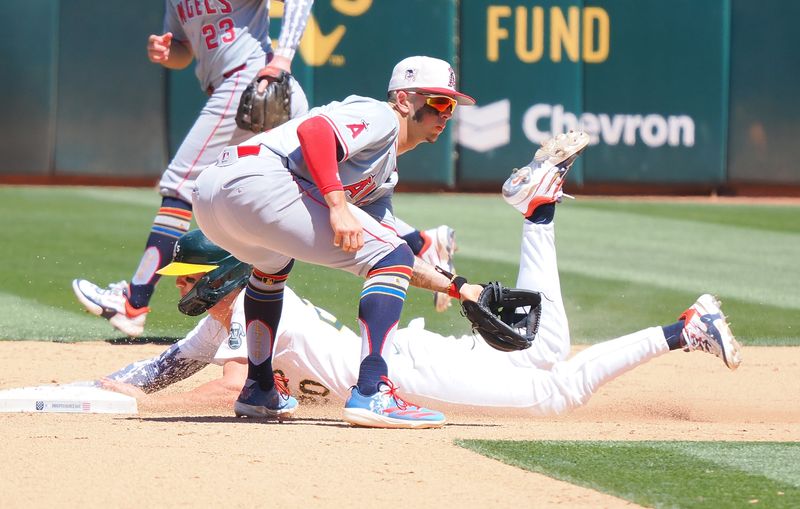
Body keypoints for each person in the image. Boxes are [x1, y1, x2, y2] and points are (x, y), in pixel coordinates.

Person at [102, 132, 741, 416]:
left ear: (221, 275)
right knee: (544, 348)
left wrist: (150, 414)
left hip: (411, 373)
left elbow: (224, 389)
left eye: (185, 276)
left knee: (556, 393)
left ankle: (680, 325)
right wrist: (100, 391)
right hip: (409, 354)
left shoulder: (248, 310)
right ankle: (682, 324)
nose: (180, 288)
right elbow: (167, 368)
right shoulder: (231, 317)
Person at [191, 55, 481, 428]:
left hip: (213, 196)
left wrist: (459, 288)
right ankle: (373, 390)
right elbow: (314, 131)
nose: (445, 113)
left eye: (450, 105)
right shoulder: (381, 117)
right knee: (385, 255)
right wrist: (337, 203)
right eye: (438, 101)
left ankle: (259, 389)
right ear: (405, 100)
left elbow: (394, 252)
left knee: (273, 265)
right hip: (258, 180)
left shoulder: (383, 174)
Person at [72, 0, 315, 338]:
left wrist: (284, 56)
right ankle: (411, 244)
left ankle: (133, 301)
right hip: (247, 87)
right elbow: (182, 51)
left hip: (250, 80)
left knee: (180, 186)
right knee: (316, 182)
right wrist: (165, 50)